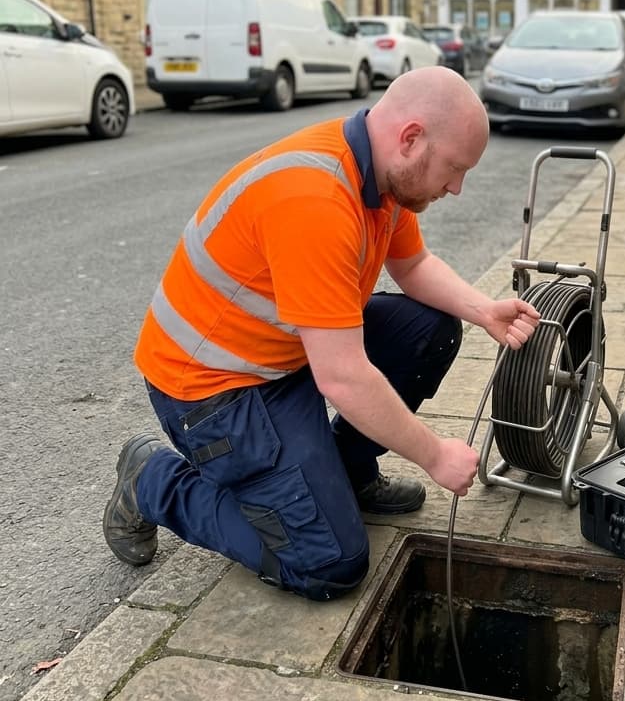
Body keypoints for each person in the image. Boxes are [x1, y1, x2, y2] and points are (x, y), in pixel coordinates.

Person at [103, 66, 540, 600]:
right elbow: (344, 378)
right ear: (411, 138)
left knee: (429, 330)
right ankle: (152, 480)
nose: (456, 187)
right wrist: (434, 456)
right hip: (213, 393)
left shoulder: (378, 176)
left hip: (281, 357)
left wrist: (484, 310)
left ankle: (345, 471)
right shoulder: (315, 198)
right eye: (453, 168)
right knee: (328, 563)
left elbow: (414, 264)